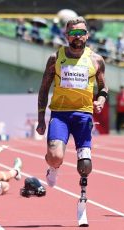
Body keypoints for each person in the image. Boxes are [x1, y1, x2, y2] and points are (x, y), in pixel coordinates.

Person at [36, 16, 108, 225]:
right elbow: (43, 89)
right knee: (55, 156)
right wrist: (41, 118)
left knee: (85, 165)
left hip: (84, 115)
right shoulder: (55, 58)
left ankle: (82, 208)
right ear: (67, 35)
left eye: (81, 33)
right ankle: (53, 168)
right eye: (73, 33)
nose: (78, 37)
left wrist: (101, 100)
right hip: (60, 113)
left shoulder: (96, 60)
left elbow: (103, 88)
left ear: (87, 35)